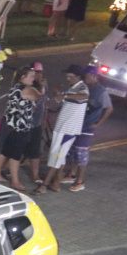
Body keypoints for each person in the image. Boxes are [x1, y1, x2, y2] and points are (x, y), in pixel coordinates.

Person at [33, 64, 88, 195]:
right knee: (58, 156)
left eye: (70, 76)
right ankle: (56, 183)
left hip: (68, 129)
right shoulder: (72, 88)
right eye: (67, 76)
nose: (67, 78)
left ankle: (44, 185)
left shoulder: (82, 87)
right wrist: (59, 93)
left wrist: (64, 96)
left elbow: (84, 97)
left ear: (78, 76)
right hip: (61, 127)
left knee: (57, 156)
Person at [0, 67, 41, 191]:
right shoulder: (24, 89)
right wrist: (39, 86)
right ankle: (15, 181)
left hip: (10, 125)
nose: (34, 79)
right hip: (18, 127)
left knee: (4, 151)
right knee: (15, 155)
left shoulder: (15, 88)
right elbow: (37, 96)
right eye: (31, 76)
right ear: (23, 77)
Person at [63, 65, 112, 192]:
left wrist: (98, 123)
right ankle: (72, 174)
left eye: (87, 76)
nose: (85, 78)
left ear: (94, 76)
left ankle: (80, 181)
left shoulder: (100, 91)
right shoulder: (82, 87)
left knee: (81, 153)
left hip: (87, 126)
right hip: (76, 124)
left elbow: (109, 108)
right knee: (73, 150)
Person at [25, 62, 48, 184]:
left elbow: (44, 103)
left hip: (36, 123)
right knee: (18, 147)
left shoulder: (43, 84)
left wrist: (44, 119)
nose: (37, 75)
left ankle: (35, 174)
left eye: (39, 72)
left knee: (35, 150)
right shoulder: (28, 84)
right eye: (35, 72)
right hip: (24, 123)